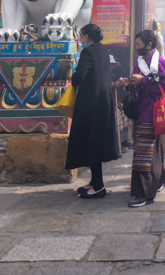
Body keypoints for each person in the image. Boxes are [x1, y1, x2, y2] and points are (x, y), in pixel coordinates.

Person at [65, 23, 121, 199]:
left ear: (86, 36)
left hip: (91, 104)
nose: (81, 38)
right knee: (95, 142)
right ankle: (94, 181)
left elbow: (81, 75)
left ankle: (99, 186)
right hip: (103, 101)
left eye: (81, 35)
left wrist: (72, 78)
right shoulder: (103, 50)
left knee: (92, 142)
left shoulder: (88, 51)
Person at [120, 29, 165, 207]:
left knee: (145, 155)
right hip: (140, 111)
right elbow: (139, 84)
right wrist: (129, 83)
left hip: (152, 113)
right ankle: (162, 176)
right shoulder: (140, 62)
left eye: (138, 44)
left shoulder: (159, 63)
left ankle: (144, 194)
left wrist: (142, 81)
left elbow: (164, 85)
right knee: (144, 152)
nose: (136, 47)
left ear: (149, 45)